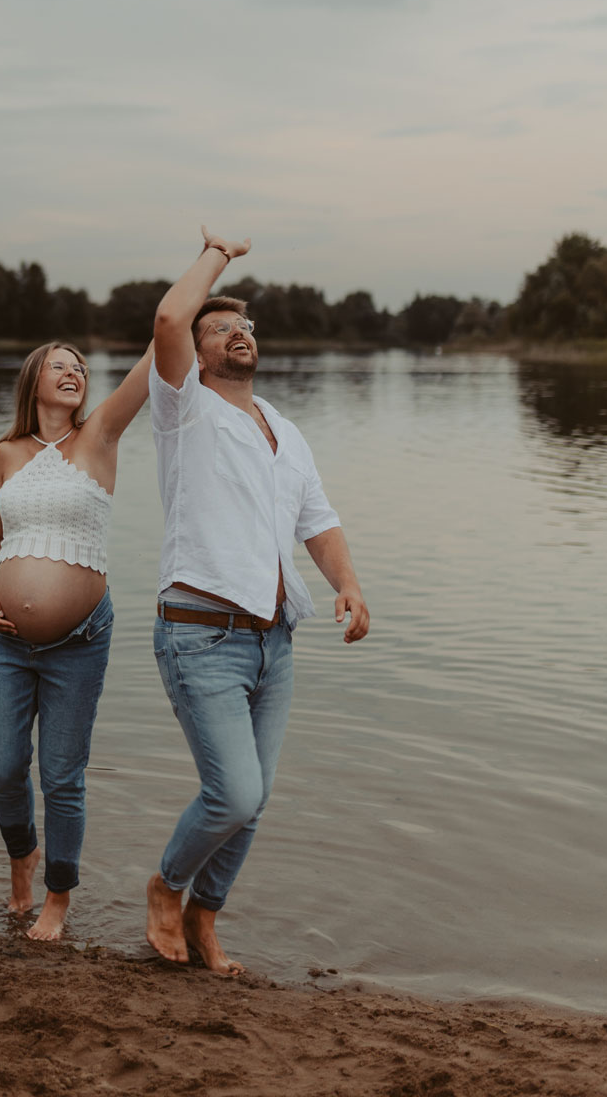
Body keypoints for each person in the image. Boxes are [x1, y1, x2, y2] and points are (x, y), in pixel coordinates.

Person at [145, 227, 370, 975]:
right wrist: (219, 256)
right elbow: (170, 321)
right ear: (200, 352)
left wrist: (348, 584)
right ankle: (166, 886)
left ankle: (207, 916)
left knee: (257, 797)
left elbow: (319, 520)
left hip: (276, 641)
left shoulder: (285, 427)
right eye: (224, 328)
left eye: (246, 326)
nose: (240, 334)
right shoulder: (184, 410)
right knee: (234, 793)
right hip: (201, 635)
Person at [0, 339, 152, 941]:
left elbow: (160, 346)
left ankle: (57, 897)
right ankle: (21, 855)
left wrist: (210, 268)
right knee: (3, 770)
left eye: (81, 366)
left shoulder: (99, 435)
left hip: (78, 640)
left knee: (61, 776)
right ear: (34, 380)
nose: (75, 371)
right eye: (61, 365)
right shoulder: (6, 451)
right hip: (2, 638)